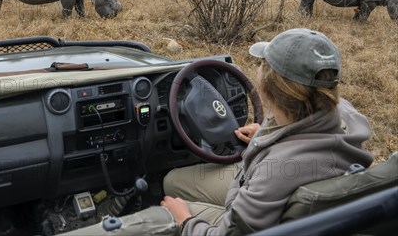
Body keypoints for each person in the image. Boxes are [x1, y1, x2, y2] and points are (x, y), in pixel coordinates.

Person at [63, 28, 373, 235]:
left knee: (169, 200)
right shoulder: (342, 110)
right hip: (267, 191)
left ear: (265, 87)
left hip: (249, 207)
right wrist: (267, 130)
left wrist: (185, 219)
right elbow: (301, 121)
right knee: (172, 178)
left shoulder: (279, 169)